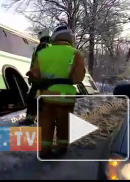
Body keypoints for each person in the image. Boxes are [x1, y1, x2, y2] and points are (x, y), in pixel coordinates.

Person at [26, 25, 86, 158]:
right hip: (67, 97)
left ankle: (45, 150)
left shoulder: (42, 53)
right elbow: (78, 78)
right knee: (63, 122)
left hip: (47, 96)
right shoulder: (76, 54)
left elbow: (34, 75)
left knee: (46, 123)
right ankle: (61, 147)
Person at [19, 28, 52, 126]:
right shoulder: (52, 46)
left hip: (39, 78)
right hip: (48, 78)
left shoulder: (43, 46)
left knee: (32, 99)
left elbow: (38, 63)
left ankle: (30, 120)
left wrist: (32, 76)